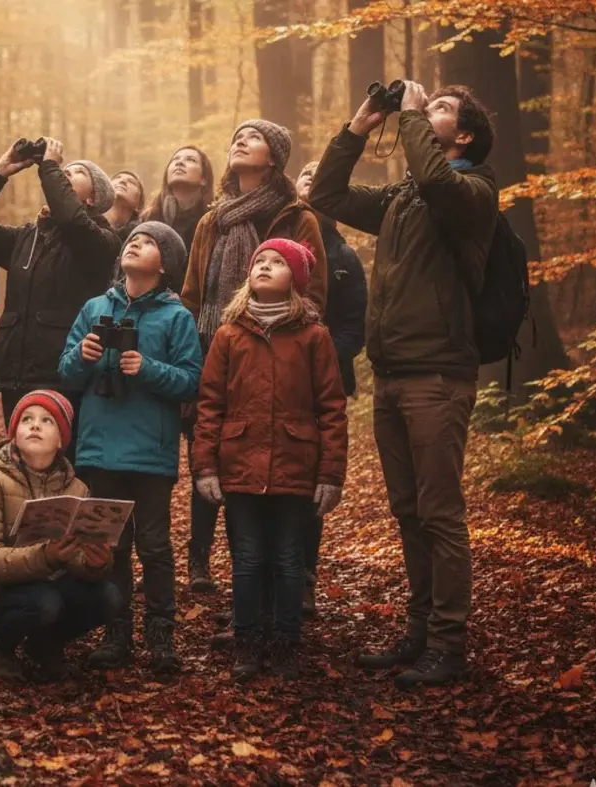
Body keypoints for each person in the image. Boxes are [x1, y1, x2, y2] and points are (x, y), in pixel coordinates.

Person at [309, 82, 497, 688]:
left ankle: (448, 641)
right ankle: (418, 633)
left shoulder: (473, 189)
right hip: (392, 374)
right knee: (408, 512)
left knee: (440, 513)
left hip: (439, 373)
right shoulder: (401, 196)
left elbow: (440, 183)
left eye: (443, 109)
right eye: (429, 105)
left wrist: (414, 117)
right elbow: (326, 193)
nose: (427, 112)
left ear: (462, 134)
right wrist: (359, 126)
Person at [180, 119, 328, 597]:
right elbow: (192, 295)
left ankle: (295, 580)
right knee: (219, 462)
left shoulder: (295, 216)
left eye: (254, 137)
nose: (239, 141)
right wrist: (197, 356)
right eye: (236, 136)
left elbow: (315, 291)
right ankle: (210, 566)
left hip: (284, 362)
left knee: (288, 473)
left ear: (275, 157)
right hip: (217, 355)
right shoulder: (212, 219)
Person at [193, 239, 347, 681]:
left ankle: (284, 643)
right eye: (260, 261)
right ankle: (246, 641)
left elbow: (332, 408)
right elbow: (210, 404)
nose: (265, 266)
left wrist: (330, 474)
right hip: (240, 463)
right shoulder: (229, 334)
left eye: (277, 262)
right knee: (247, 558)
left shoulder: (314, 337)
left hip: (295, 465)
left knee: (287, 558)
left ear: (295, 279)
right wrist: (205, 465)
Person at [58, 222, 203, 674]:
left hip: (150, 451)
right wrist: (80, 356)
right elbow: (65, 374)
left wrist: (148, 368)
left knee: (155, 546)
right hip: (100, 448)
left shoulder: (176, 317)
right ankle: (116, 630)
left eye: (148, 241)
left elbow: (191, 381)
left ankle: (161, 635)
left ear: (165, 265)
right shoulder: (95, 307)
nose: (134, 243)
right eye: (132, 239)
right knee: (111, 546)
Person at [0, 137, 121, 459]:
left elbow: (72, 221)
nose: (61, 174)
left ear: (93, 198)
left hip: (61, 377)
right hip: (15, 374)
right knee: (20, 468)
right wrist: (0, 171)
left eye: (73, 172)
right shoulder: (24, 238)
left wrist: (49, 166)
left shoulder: (101, 240)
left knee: (57, 468)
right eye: (62, 171)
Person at [0, 391, 122, 683]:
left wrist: (94, 564)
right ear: (13, 434)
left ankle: (45, 644)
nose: (35, 426)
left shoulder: (77, 489)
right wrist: (44, 557)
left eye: (47, 421)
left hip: (50, 583)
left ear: (61, 440)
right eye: (26, 419)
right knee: (44, 602)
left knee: (108, 596)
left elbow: (76, 559)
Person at [294, 160, 368, 618]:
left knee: (307, 484)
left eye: (322, 173)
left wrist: (314, 361)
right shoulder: (271, 246)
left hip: (321, 386)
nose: (312, 178)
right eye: (305, 173)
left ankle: (302, 581)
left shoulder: (342, 256)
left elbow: (354, 329)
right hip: (268, 383)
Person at [139, 146, 215, 284]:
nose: (179, 163)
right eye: (175, 159)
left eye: (190, 159)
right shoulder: (148, 219)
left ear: (204, 179)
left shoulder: (213, 220)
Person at [105, 170, 145, 243]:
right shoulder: (83, 220)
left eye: (131, 182)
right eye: (117, 178)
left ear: (139, 205)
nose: (122, 181)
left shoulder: (140, 238)